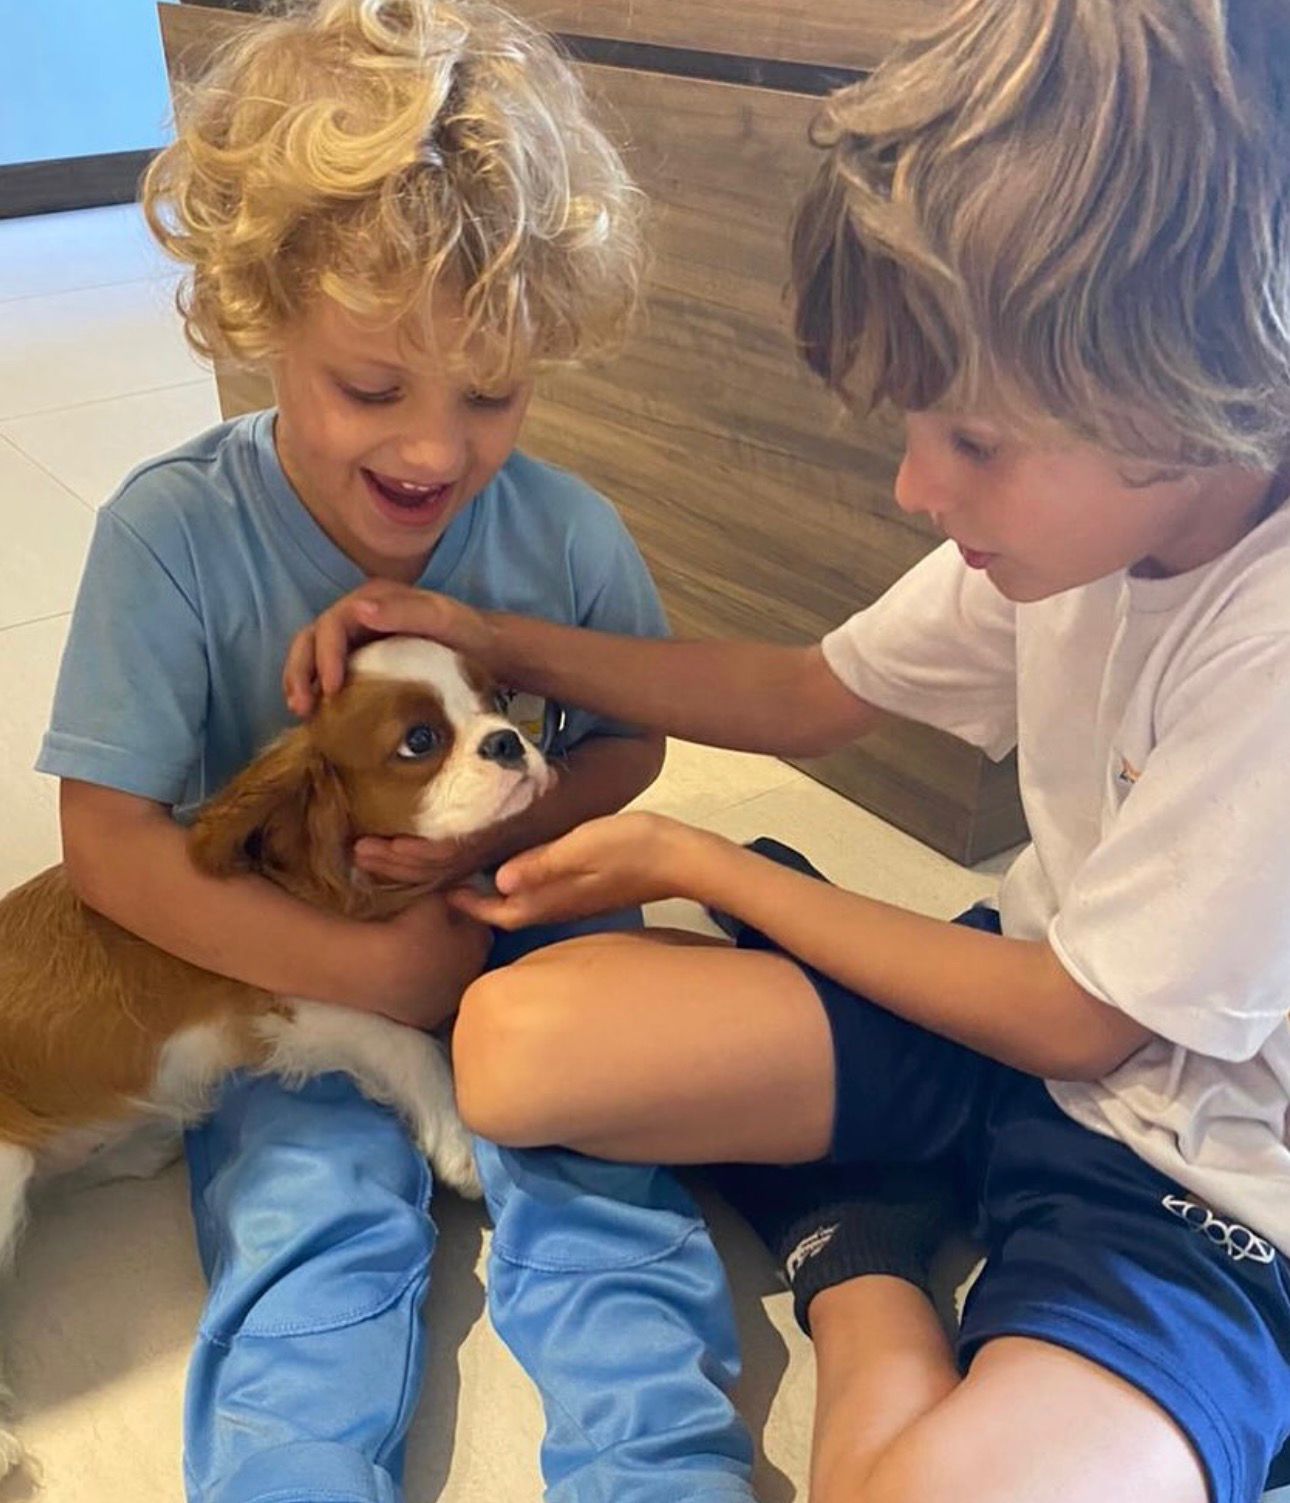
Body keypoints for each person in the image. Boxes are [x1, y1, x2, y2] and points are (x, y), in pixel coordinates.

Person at [288, 2, 1290, 1499]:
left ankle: (856, 1237)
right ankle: (886, 1180)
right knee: (508, 1052)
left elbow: (1090, 1028)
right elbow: (803, 696)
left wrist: (701, 865)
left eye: (970, 441)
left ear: (1177, 388)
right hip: (999, 1023)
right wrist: (497, 640)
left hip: (1203, 1171)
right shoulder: (1066, 538)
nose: (911, 486)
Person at [37, 2, 760, 1500]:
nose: (435, 448)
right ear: (258, 322)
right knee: (313, 1218)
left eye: (490, 393)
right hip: (281, 974)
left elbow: (629, 745)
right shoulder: (170, 536)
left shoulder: (564, 532)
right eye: (374, 387)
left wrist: (493, 842)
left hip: (538, 916)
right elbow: (106, 842)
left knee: (603, 1200)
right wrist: (365, 974)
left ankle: (667, 1472)